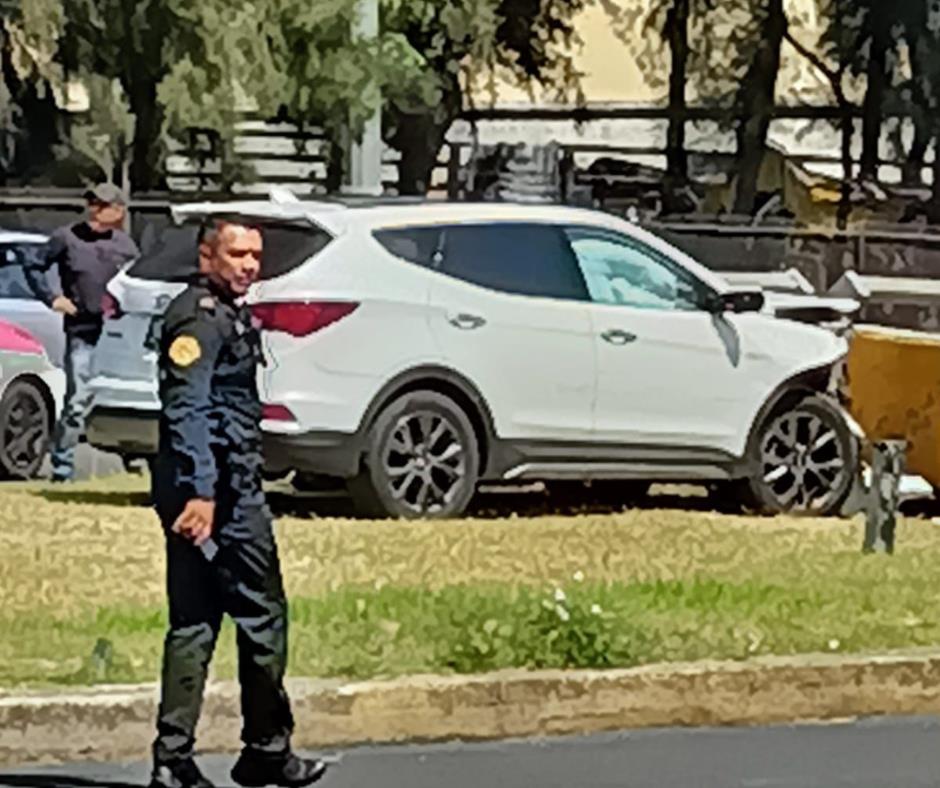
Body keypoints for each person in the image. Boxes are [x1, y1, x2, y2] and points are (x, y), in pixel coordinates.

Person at [148, 219, 328, 788]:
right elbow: (188, 409)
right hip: (218, 492)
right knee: (257, 614)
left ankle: (176, 759)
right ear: (207, 257)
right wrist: (202, 493)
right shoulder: (197, 319)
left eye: (255, 255)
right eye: (236, 254)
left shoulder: (225, 312)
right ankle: (264, 749)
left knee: (198, 620)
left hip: (218, 484)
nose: (249, 265)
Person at [24, 183, 139, 481]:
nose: (96, 211)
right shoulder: (66, 237)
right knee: (77, 401)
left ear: (119, 211)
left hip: (121, 336)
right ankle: (62, 469)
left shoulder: (126, 247)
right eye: (92, 204)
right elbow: (33, 265)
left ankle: (134, 461)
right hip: (83, 332)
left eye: (103, 205)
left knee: (126, 400)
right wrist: (52, 299)